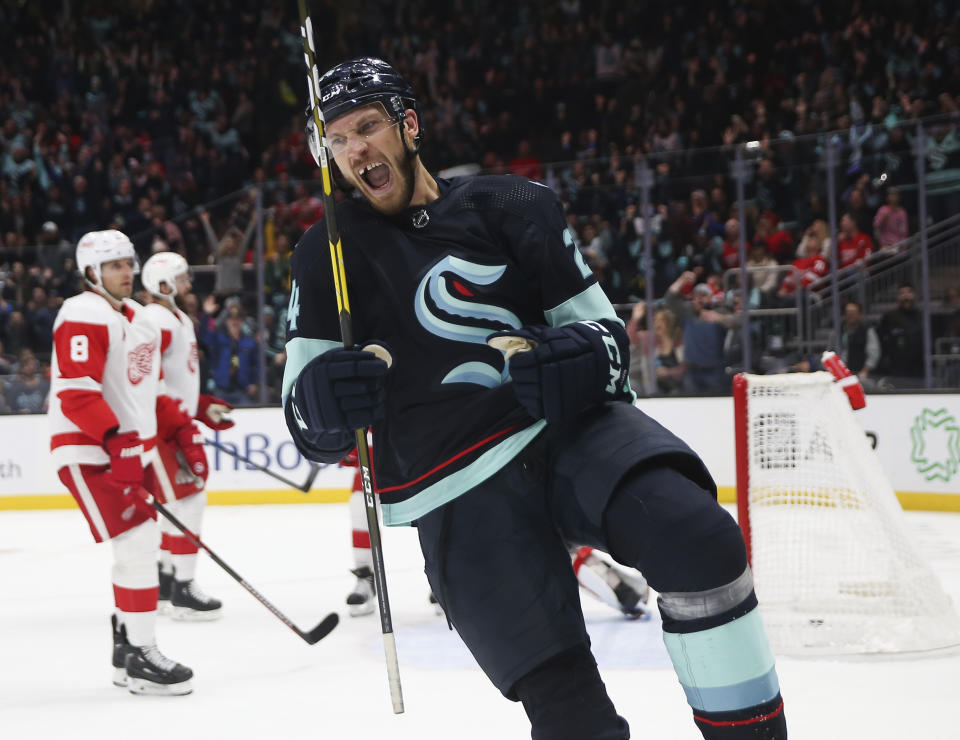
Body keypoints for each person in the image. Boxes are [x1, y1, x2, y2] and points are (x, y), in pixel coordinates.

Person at [282, 58, 785, 739]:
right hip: (452, 486)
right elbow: (307, 421)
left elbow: (607, 339)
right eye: (336, 141)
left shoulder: (514, 205)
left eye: (367, 126)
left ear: (410, 123)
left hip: (567, 431)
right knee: (565, 708)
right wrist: (324, 404)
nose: (354, 150)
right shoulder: (326, 254)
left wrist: (576, 358)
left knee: (700, 540)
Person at [48, 230, 193, 695]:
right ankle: (140, 654)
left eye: (129, 264)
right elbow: (76, 393)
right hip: (89, 448)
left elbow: (147, 392)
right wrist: (115, 439)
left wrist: (183, 423)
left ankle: (128, 649)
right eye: (114, 266)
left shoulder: (139, 319)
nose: (127, 273)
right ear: (92, 273)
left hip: (128, 448)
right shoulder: (82, 313)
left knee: (138, 546)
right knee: (139, 542)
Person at [141, 251, 235, 619]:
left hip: (172, 424)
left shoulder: (177, 317)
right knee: (189, 500)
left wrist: (200, 407)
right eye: (182, 279)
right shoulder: (155, 319)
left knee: (178, 503)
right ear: (162, 286)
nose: (189, 285)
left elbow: (176, 381)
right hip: (161, 429)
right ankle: (182, 588)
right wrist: (181, 428)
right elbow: (150, 381)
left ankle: (166, 584)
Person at [664, 273, 737, 394]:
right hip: (692, 371)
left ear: (710, 297)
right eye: (696, 296)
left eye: (703, 296)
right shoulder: (687, 312)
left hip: (715, 371)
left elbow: (739, 321)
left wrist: (721, 319)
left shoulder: (720, 311)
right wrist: (681, 280)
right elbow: (670, 298)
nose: (699, 299)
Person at [877, 282, 924, 387]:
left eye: (909, 292)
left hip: (919, 365)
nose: (906, 296)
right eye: (902, 293)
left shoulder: (921, 316)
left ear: (915, 294)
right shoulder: (890, 316)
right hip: (897, 366)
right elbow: (880, 337)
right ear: (898, 296)